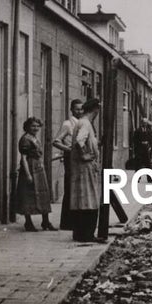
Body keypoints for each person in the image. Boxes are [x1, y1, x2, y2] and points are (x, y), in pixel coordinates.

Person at [69, 98, 103, 243]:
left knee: (81, 200)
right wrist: (85, 155)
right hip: (86, 168)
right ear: (95, 110)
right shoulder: (86, 123)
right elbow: (79, 140)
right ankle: (87, 234)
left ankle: (79, 233)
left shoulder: (81, 122)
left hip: (80, 169)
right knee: (90, 200)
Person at [15, 117, 57, 232]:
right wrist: (28, 174)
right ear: (27, 127)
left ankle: (46, 221)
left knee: (43, 193)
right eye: (33, 126)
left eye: (37, 126)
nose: (35, 128)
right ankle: (28, 222)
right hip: (30, 167)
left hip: (38, 168)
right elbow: (23, 158)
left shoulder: (34, 138)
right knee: (28, 195)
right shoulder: (25, 139)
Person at [52, 99, 83, 230]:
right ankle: (66, 222)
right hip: (71, 159)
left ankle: (75, 221)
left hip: (79, 159)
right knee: (70, 188)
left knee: (78, 189)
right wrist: (70, 150)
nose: (79, 112)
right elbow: (56, 141)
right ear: (71, 110)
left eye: (81, 109)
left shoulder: (83, 123)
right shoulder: (67, 124)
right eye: (77, 109)